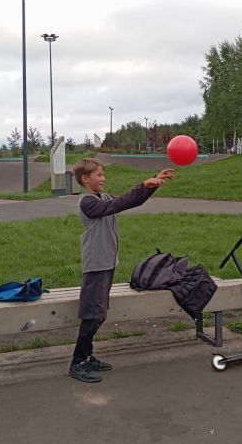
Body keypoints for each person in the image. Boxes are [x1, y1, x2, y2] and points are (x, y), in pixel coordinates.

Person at [69, 157, 175, 383]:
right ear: (85, 179)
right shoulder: (87, 202)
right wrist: (143, 185)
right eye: (99, 175)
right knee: (93, 314)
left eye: (103, 174)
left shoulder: (102, 197)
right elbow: (115, 206)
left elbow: (129, 202)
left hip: (107, 263)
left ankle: (88, 356)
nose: (103, 179)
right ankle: (78, 362)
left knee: (99, 313)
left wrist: (151, 185)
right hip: (96, 265)